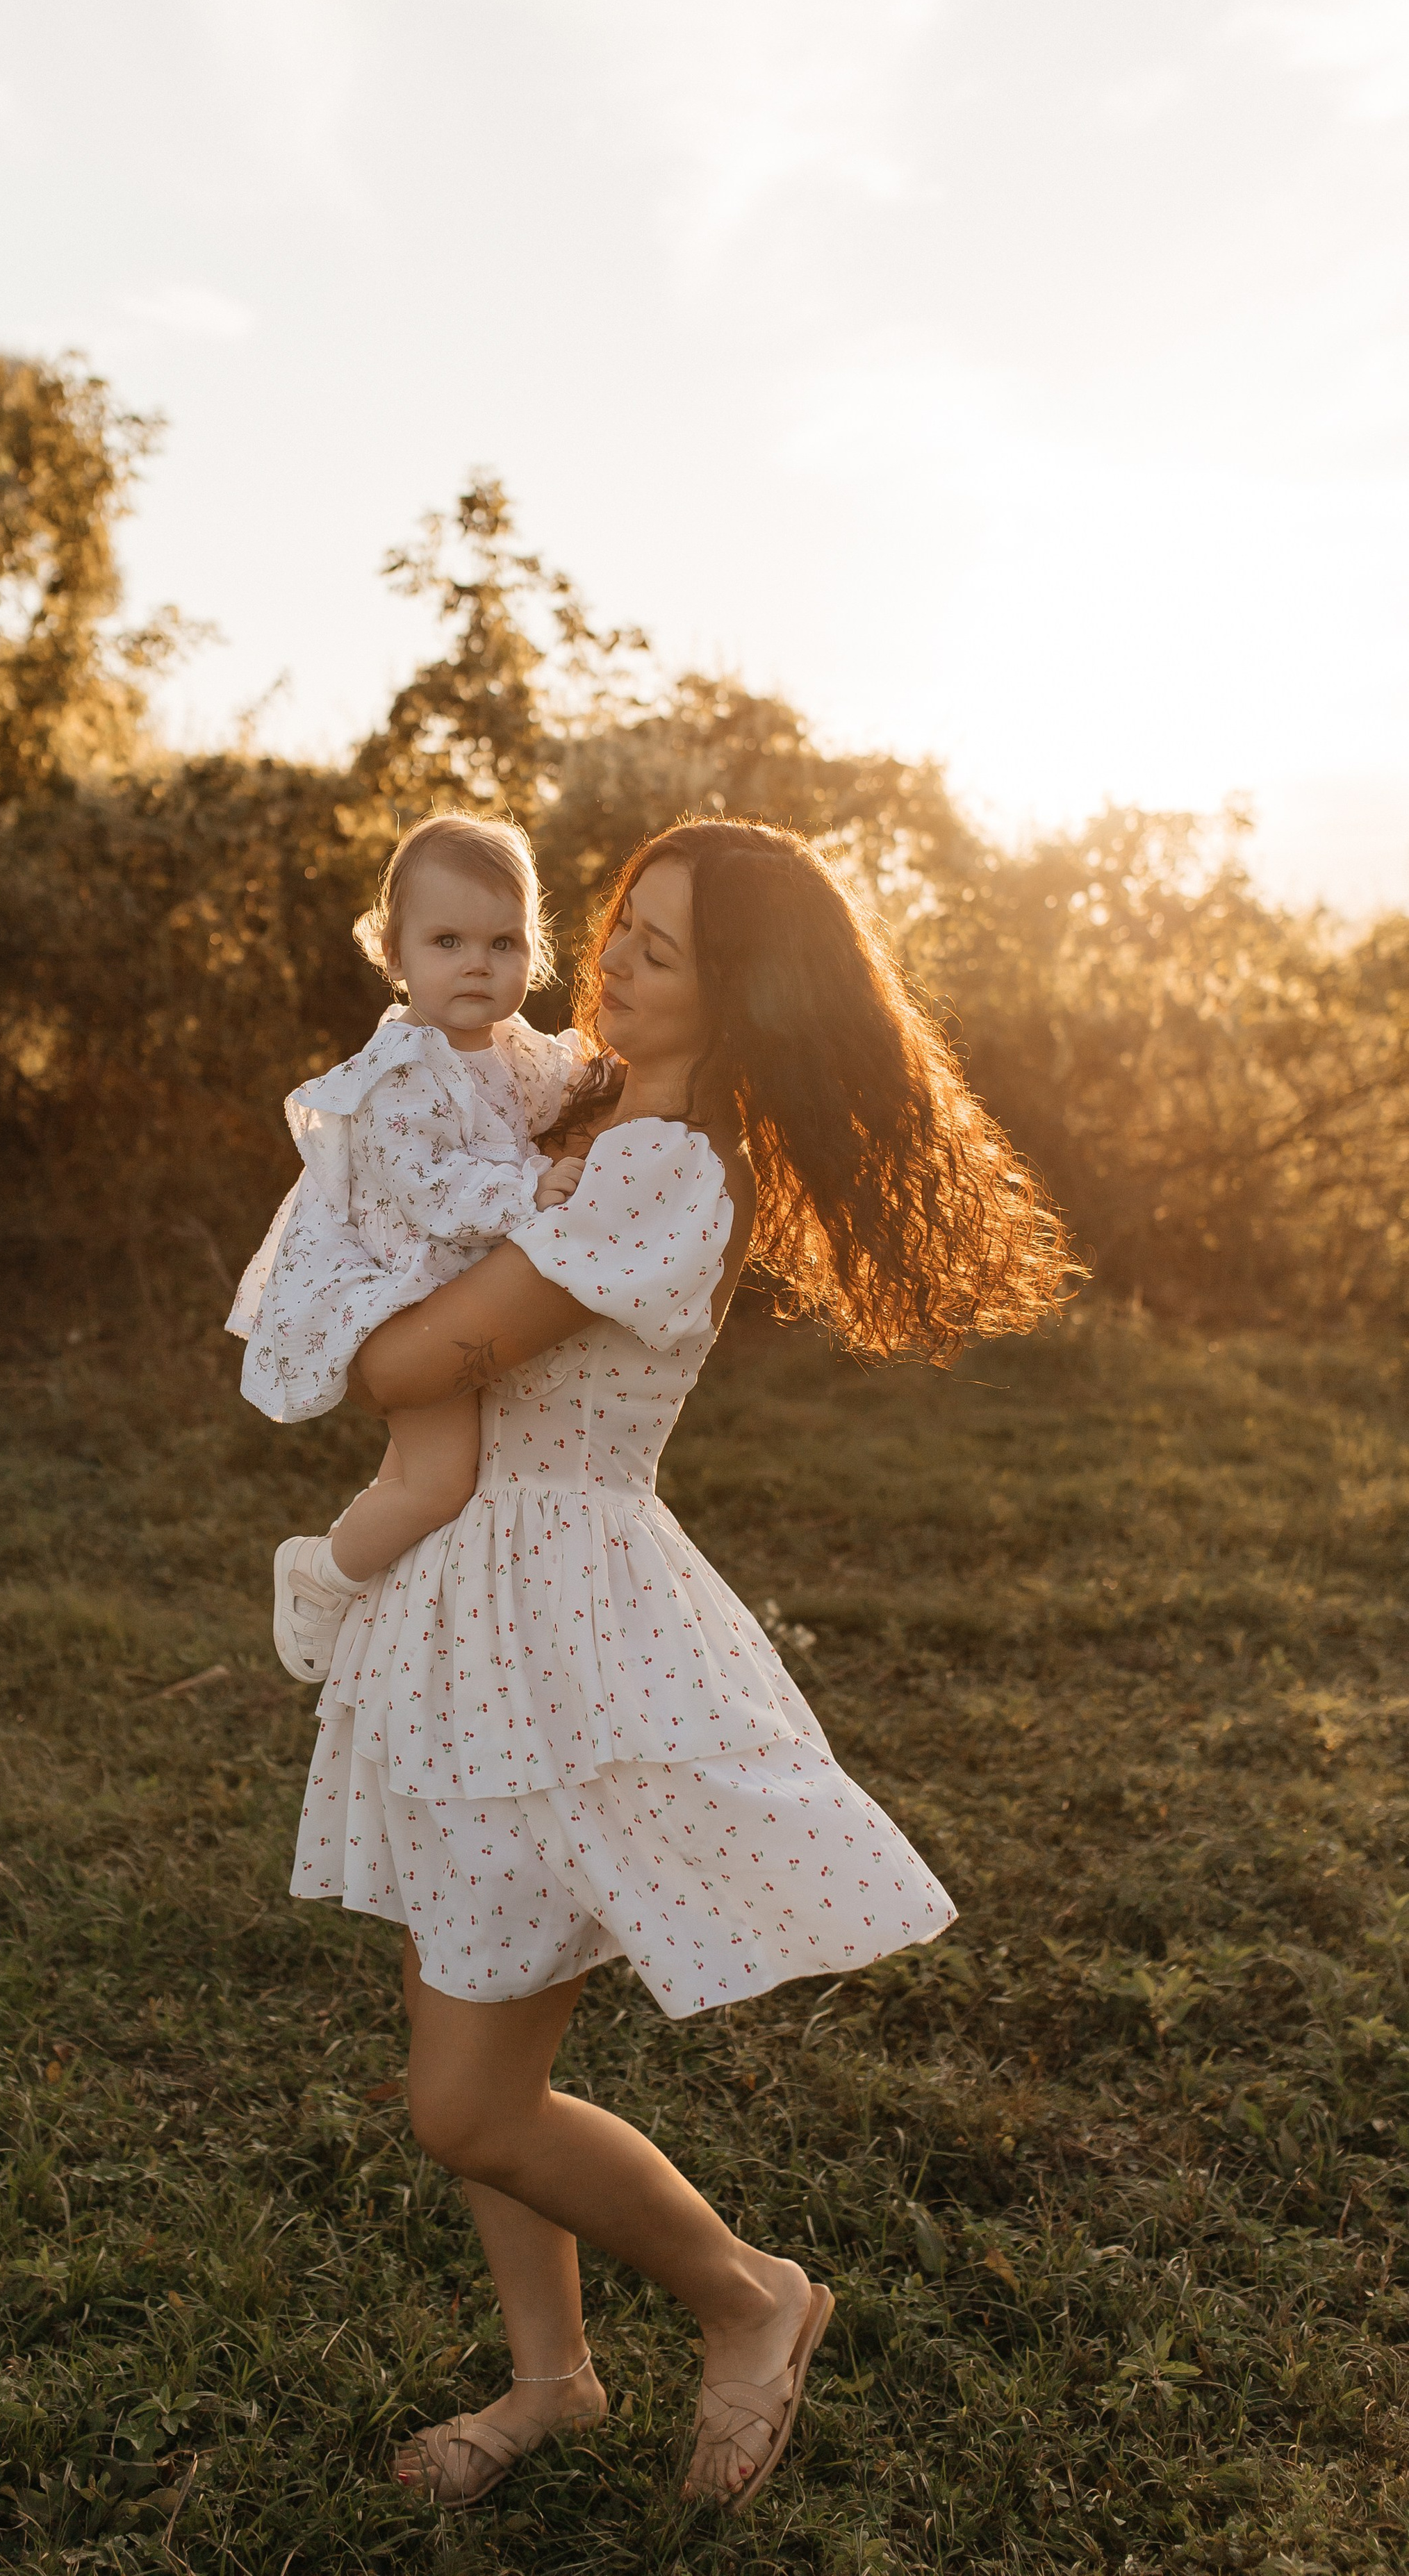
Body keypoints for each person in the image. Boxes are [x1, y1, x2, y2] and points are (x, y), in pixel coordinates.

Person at [279, 816, 1074, 2511]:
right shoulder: (569, 1104)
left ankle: (746, 2294)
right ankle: (550, 2379)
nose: (614, 959)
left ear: (741, 991)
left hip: (559, 1623)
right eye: (619, 922)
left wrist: (356, 1285)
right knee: (469, 1998)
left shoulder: (668, 1167)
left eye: (664, 945)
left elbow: (414, 1354)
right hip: (458, 1610)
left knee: (465, 2103)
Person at [227, 813, 587, 1683]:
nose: (477, 963)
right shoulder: (398, 1071)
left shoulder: (506, 1049)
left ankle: (382, 1607)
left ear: (531, 954)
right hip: (398, 1287)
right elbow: (425, 1189)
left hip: (448, 1295)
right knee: (440, 1484)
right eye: (448, 940)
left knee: (413, 1472)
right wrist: (527, 1190)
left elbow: (570, 1082)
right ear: (395, 956)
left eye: (503, 942)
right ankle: (321, 1573)